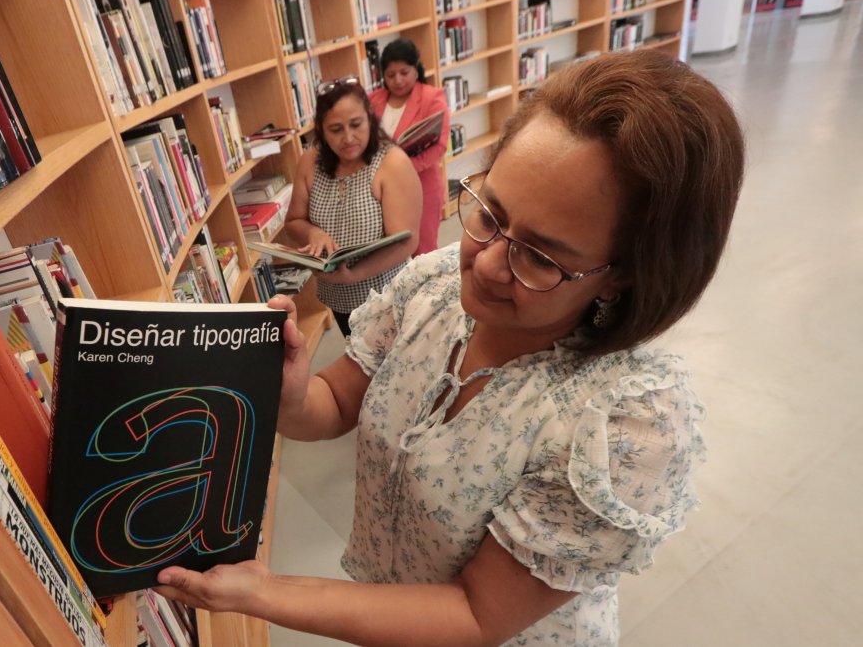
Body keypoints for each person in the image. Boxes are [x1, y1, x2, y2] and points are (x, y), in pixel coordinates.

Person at [155, 49, 745, 645]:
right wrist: (288, 394)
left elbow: (477, 615)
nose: (485, 264)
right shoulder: (434, 285)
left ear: (627, 273)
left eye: (540, 257)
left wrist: (266, 594)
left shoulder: (619, 426)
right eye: (490, 211)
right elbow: (336, 400)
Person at [284, 76, 421, 337]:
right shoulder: (310, 162)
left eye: (356, 125)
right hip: (338, 296)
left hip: (389, 295)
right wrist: (314, 233)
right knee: (361, 366)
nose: (348, 138)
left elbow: (406, 241)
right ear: (321, 131)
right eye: (335, 130)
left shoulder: (392, 162)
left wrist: (354, 274)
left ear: (370, 118)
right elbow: (293, 222)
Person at [369, 39, 450, 256]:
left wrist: (400, 170)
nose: (398, 80)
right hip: (381, 192)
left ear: (416, 69)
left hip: (421, 186)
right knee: (390, 254)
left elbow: (439, 146)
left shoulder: (432, 97)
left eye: (404, 72)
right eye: (390, 74)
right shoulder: (373, 100)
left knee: (422, 251)